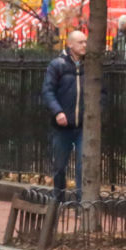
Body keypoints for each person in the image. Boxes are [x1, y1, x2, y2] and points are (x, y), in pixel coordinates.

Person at [42, 30, 87, 200]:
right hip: (62, 126)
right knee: (60, 167)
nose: (84, 45)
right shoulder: (57, 65)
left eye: (85, 42)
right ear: (70, 44)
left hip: (83, 126)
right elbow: (48, 91)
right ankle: (58, 201)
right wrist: (58, 112)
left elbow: (102, 92)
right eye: (80, 42)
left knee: (83, 167)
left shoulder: (89, 66)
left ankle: (82, 204)